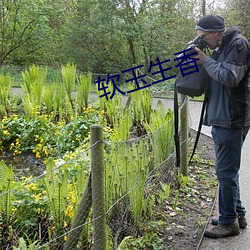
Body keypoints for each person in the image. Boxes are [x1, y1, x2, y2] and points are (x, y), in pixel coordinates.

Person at [193, 15, 250, 238]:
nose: (203, 41)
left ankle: (228, 223)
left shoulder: (238, 44)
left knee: (225, 171)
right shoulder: (221, 46)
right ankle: (237, 214)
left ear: (217, 32)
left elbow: (229, 77)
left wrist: (205, 60)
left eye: (204, 37)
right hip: (222, 117)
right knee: (227, 171)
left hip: (232, 118)